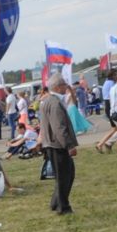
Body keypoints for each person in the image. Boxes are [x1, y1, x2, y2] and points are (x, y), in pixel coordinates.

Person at [39, 76, 79, 215]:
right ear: (57, 87)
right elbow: (59, 127)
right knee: (64, 177)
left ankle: (56, 202)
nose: (65, 87)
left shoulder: (48, 101)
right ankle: (63, 207)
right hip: (58, 145)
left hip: (52, 144)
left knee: (66, 175)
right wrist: (69, 145)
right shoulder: (54, 103)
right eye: (63, 85)